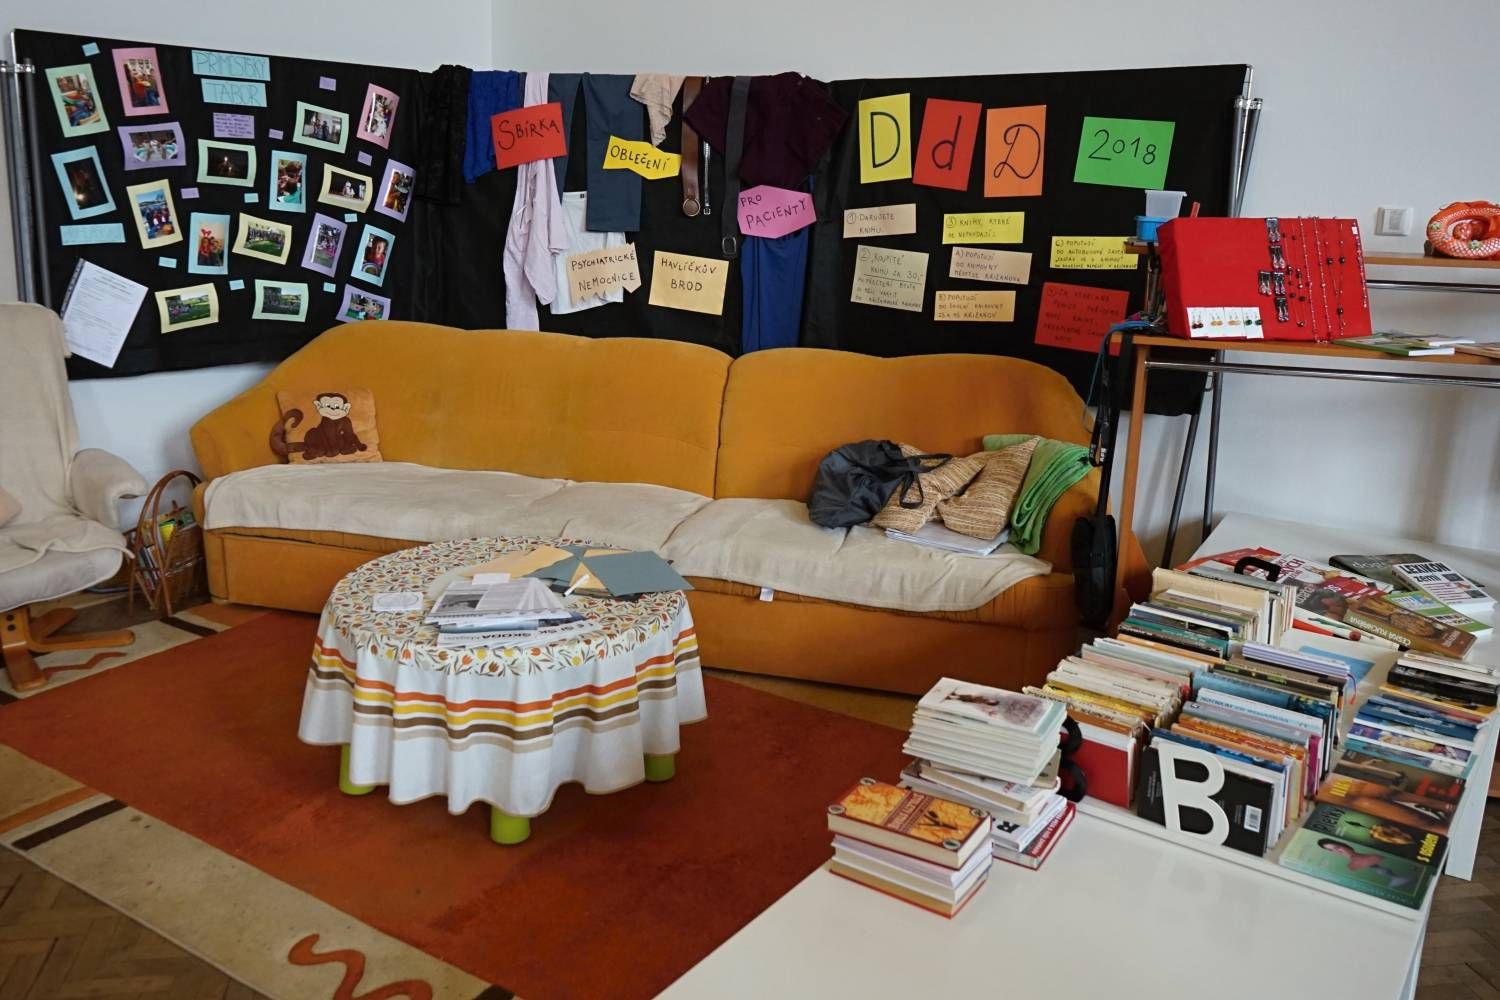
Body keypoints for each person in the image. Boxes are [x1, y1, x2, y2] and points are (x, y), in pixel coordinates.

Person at [1316, 839, 1412, 887]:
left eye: (1336, 847)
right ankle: (1394, 877)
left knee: (1376, 867)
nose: (1336, 851)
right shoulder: (1346, 857)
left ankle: (1395, 877)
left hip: (1358, 858)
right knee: (1375, 867)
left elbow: (1350, 853)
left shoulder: (1347, 852)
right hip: (1357, 858)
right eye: (1331, 850)